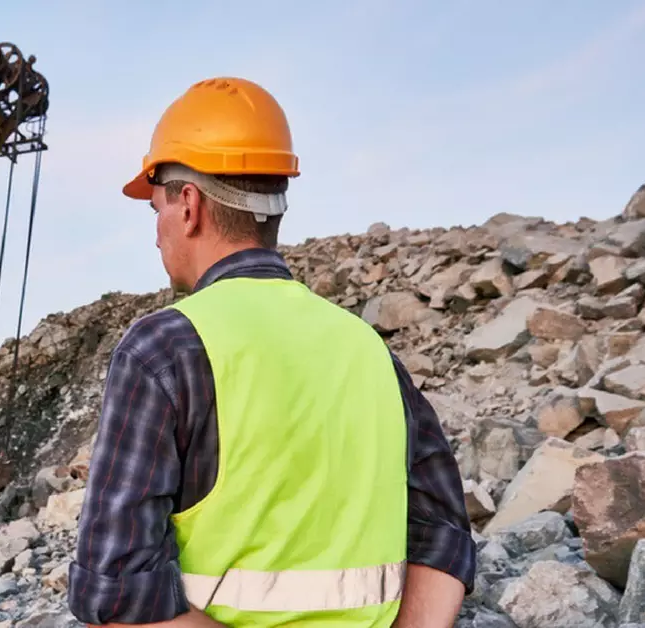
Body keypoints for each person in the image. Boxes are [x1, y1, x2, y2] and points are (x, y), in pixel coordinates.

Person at [67, 77, 476, 627]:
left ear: (188, 205)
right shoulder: (367, 348)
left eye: (156, 209)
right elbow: (444, 533)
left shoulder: (163, 349)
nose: (156, 233)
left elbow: (117, 597)